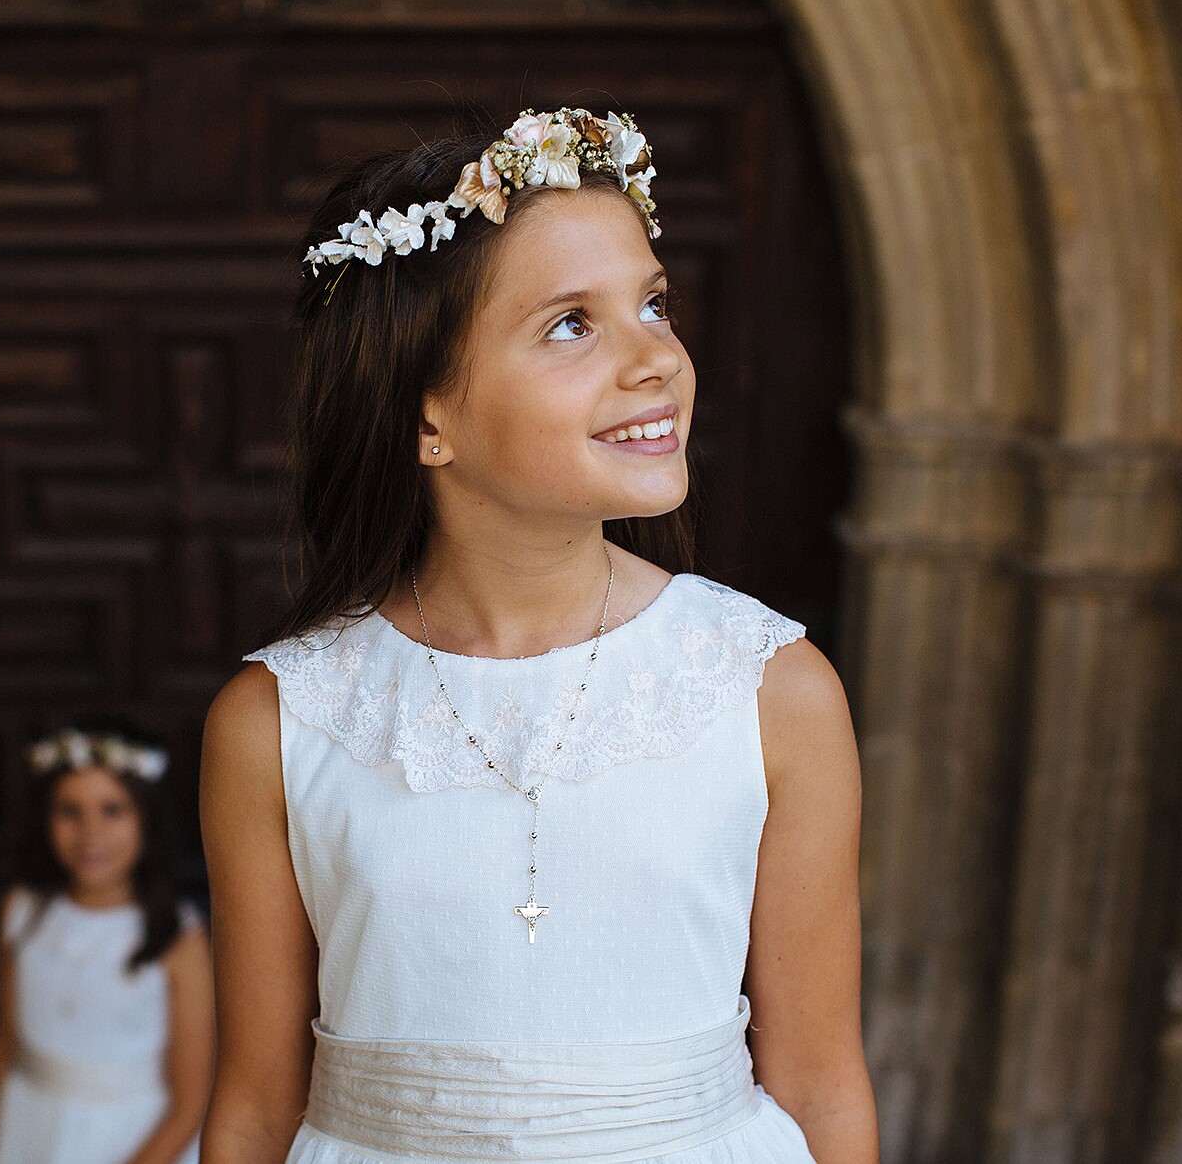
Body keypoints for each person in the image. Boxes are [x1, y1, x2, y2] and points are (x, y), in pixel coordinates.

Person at [198, 107, 877, 1162]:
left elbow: (825, 1087)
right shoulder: (279, 720)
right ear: (428, 417)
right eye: (572, 322)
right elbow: (250, 1105)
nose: (655, 358)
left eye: (653, 304)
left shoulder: (769, 688)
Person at [0, 723, 213, 1164]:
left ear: (146, 819)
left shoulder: (178, 937)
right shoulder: (20, 912)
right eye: (70, 810)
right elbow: (3, 1043)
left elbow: (191, 1100)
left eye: (112, 810)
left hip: (133, 1137)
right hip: (30, 1124)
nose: (90, 832)